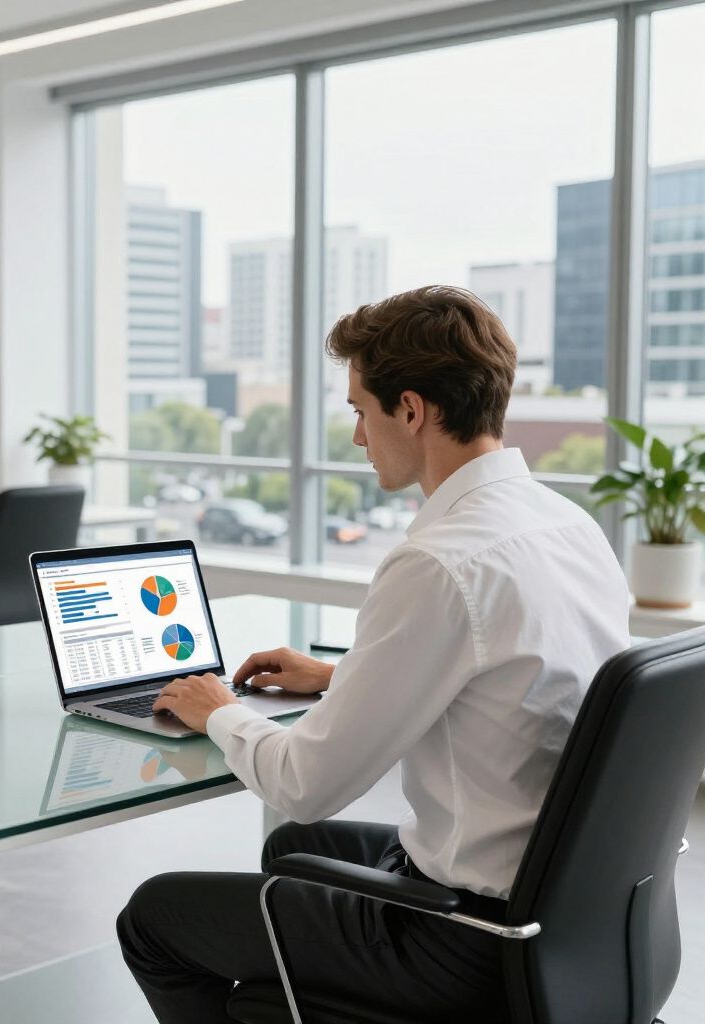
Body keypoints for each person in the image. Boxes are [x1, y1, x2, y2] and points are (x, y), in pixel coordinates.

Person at [117, 285, 630, 1023]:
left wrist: (219, 712)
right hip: (572, 912)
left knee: (154, 918)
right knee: (297, 849)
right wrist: (340, 678)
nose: (358, 436)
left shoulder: (440, 561)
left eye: (361, 409)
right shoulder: (565, 522)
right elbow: (524, 674)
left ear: (412, 410)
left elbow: (303, 782)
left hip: (464, 941)